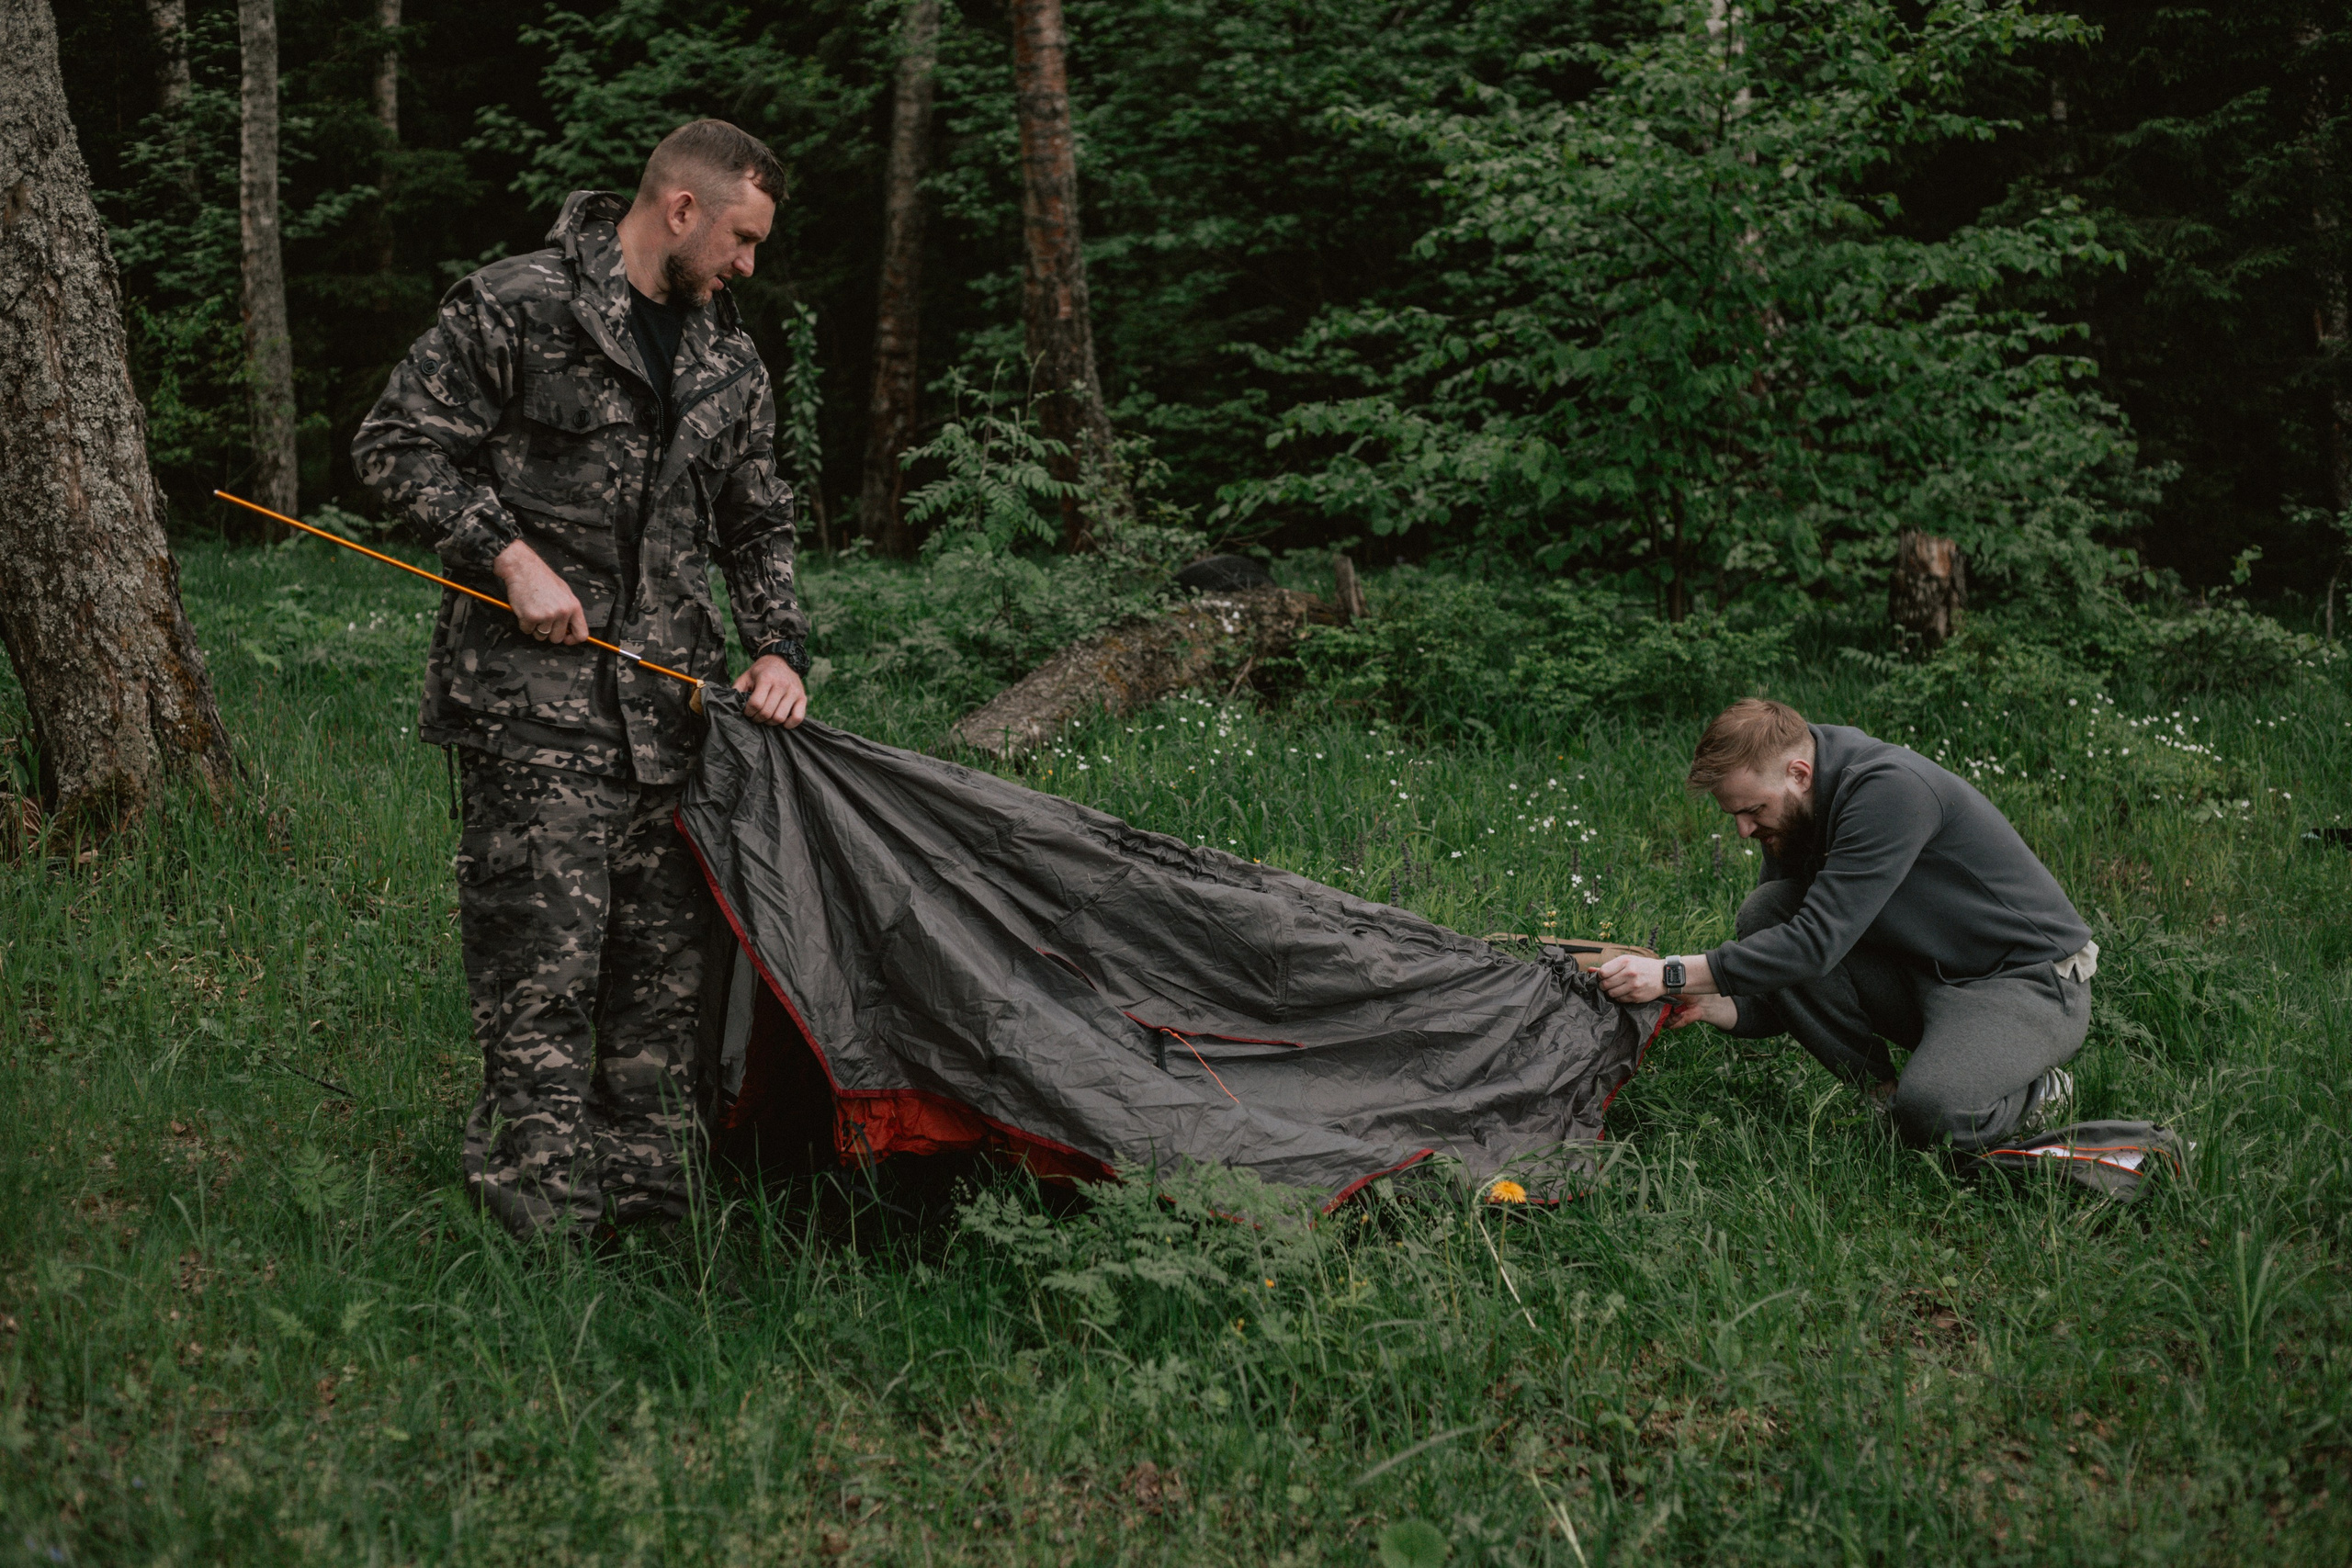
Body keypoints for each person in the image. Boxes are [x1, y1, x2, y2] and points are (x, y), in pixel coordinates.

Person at [352, 120, 811, 1242]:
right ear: (684, 209)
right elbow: (395, 443)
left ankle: (655, 1231)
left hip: (673, 719)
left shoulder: (728, 359)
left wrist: (780, 646)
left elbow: (759, 519)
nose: (749, 266)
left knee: (665, 992)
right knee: (540, 984)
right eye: (742, 239)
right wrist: (505, 557)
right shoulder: (519, 305)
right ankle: (539, 1240)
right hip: (528, 716)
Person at [1597, 698, 2096, 1151]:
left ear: (1798, 773)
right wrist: (1713, 1003)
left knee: (1937, 1113)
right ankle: (1884, 1096)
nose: (1743, 830)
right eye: (1734, 815)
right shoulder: (1796, 812)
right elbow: (1791, 979)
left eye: (1752, 810)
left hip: (2024, 980)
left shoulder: (1889, 789)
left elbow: (1813, 946)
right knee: (1768, 911)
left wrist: (1673, 973)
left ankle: (2040, 1093)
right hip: (1925, 971)